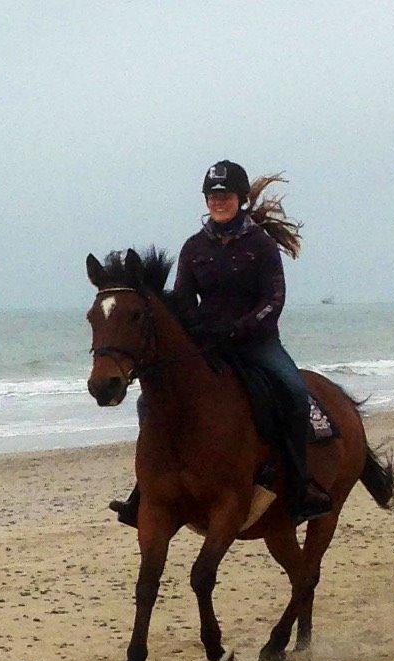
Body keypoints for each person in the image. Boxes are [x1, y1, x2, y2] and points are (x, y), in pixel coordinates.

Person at [110, 160, 332, 526]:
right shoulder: (194, 247)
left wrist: (239, 329)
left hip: (257, 343)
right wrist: (191, 328)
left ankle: (299, 486)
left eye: (225, 195)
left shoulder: (260, 245)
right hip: (209, 343)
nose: (218, 201)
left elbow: (273, 300)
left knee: (293, 392)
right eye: (212, 196)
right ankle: (144, 490)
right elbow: (182, 300)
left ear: (240, 199)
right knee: (148, 402)